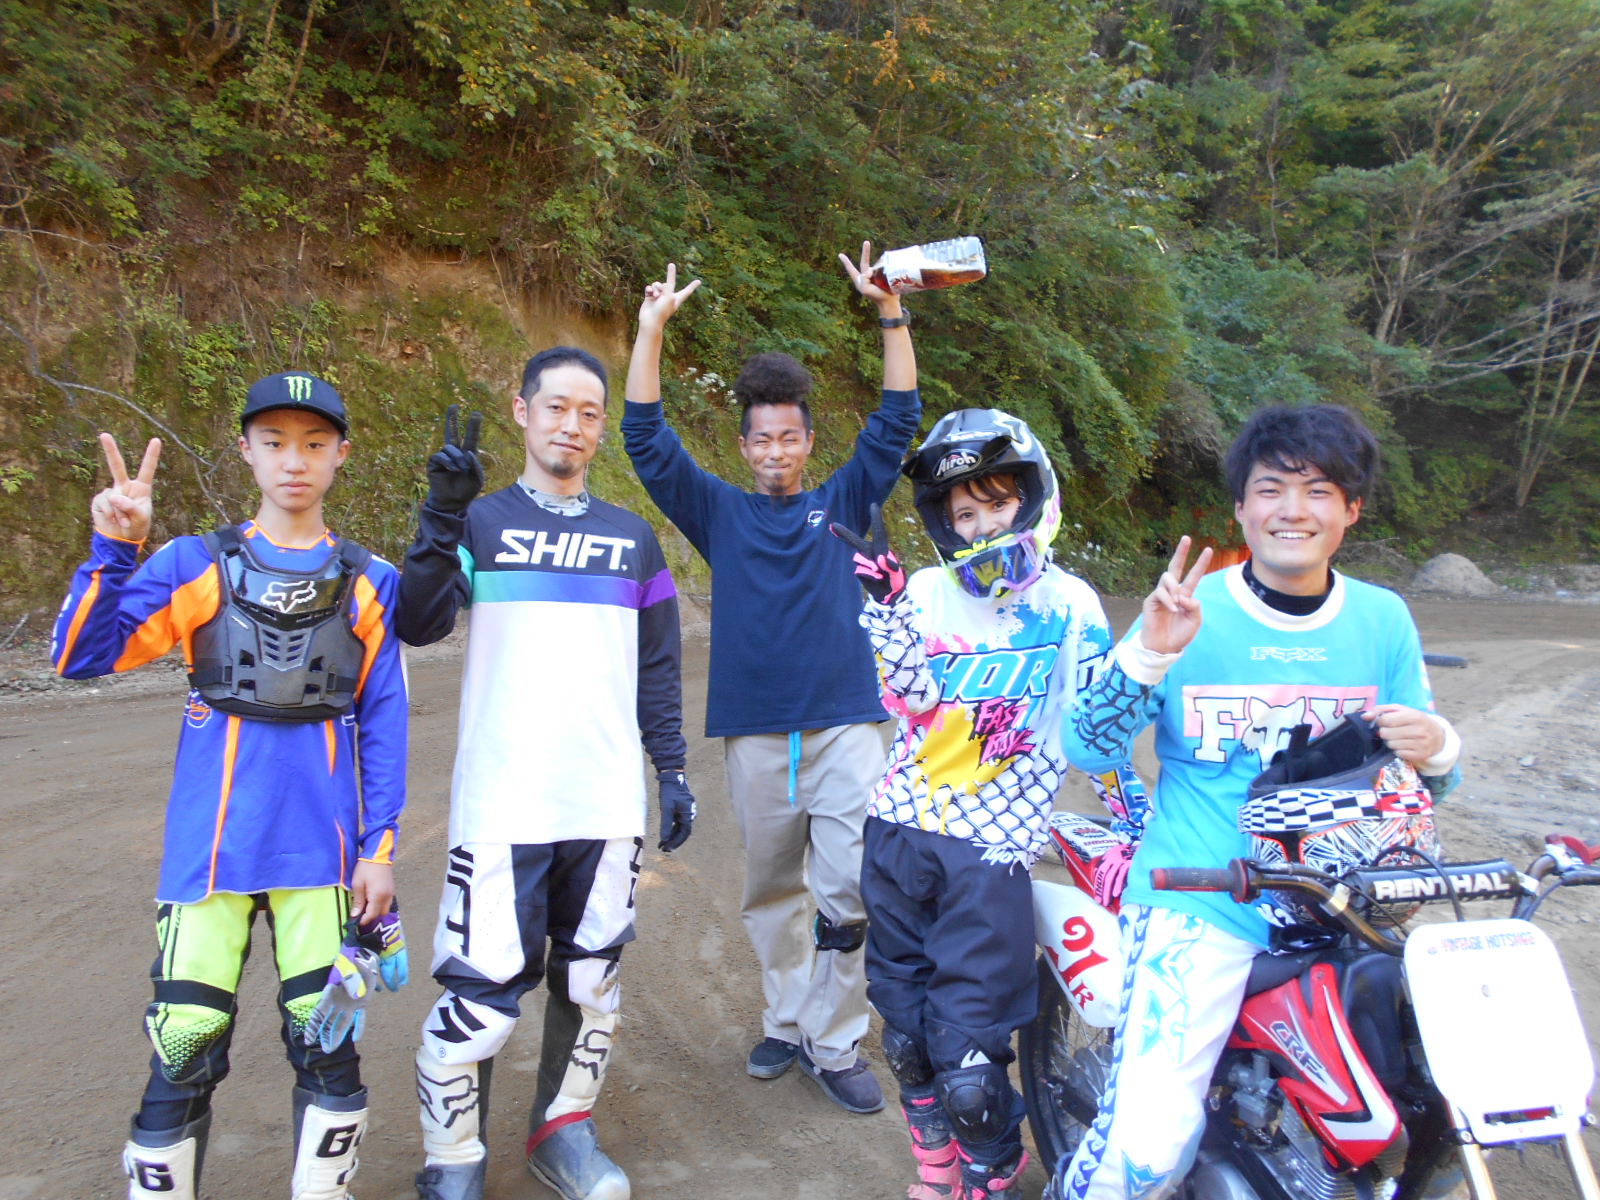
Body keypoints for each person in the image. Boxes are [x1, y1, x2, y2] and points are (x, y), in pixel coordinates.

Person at [1051, 403, 1463, 1200]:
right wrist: (1148, 654)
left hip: (1346, 903)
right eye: (1271, 489)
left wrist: (1440, 746)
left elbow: (1425, 782)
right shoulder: (1190, 610)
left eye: (1319, 491)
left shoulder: (1382, 619)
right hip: (1202, 898)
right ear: (1241, 507)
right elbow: (1088, 747)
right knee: (1147, 1151)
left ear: (1352, 509)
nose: (1292, 510)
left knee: (1423, 1108)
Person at [52, 372, 409, 1200]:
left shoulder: (369, 579)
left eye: (314, 443)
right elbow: (80, 656)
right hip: (209, 855)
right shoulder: (196, 563)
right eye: (275, 442)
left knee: (326, 1043)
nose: (295, 461)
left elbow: (384, 721)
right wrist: (114, 548)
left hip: (320, 857)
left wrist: (380, 849)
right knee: (184, 1041)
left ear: (342, 454)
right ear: (246, 450)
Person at [621, 249, 922, 1114]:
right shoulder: (721, 511)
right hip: (755, 734)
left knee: (848, 888)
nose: (777, 450)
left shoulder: (845, 503)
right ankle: (787, 1023)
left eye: (790, 436)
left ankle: (837, 1041)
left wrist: (890, 312)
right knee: (773, 892)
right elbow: (646, 441)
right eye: (762, 437)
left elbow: (897, 419)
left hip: (846, 726)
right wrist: (650, 330)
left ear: (808, 442)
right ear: (746, 445)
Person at [398, 346, 695, 1200]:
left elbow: (658, 666)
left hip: (605, 801)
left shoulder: (633, 539)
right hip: (504, 801)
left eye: (589, 413)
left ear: (602, 428)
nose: (572, 424)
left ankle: (562, 1133)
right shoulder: (482, 524)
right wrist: (440, 516)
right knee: (481, 990)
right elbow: (417, 623)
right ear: (522, 411)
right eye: (556, 407)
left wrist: (672, 769)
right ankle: (454, 1158)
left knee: (592, 978)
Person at [834, 408, 1140, 1200]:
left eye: (997, 504)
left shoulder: (1071, 606)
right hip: (898, 834)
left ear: (1032, 499)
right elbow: (909, 699)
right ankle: (936, 1166)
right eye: (964, 513)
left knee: (968, 1068)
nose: (982, 525)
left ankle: (989, 1170)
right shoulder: (923, 593)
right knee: (907, 1041)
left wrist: (1131, 826)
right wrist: (886, 610)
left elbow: (1097, 730)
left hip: (991, 855)